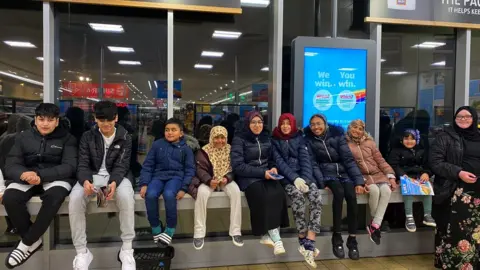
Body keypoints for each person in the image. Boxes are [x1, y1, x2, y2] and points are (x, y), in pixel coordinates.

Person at [3, 103, 77, 269]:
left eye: (50, 120)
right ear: (35, 120)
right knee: (10, 197)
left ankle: (26, 243)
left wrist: (41, 176)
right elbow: (11, 164)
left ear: (57, 121)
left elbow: (70, 166)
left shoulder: (68, 139)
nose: (45, 123)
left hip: (55, 177)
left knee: (55, 196)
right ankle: (34, 240)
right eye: (41, 119)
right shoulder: (22, 137)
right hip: (27, 177)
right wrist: (23, 174)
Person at [69, 101, 135, 270]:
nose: (106, 124)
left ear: (116, 118)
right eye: (101, 120)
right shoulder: (87, 136)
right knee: (75, 198)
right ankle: (82, 252)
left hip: (116, 176)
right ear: (95, 119)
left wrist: (113, 182)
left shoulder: (126, 136)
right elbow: (82, 163)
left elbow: (122, 164)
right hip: (91, 176)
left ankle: (127, 250)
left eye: (109, 120)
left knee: (127, 197)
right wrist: (85, 181)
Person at [304, 114, 364, 260]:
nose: (316, 127)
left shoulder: (337, 135)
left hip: (344, 173)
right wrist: (322, 183)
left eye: (319, 124)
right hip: (327, 174)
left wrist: (359, 181)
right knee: (338, 193)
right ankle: (336, 236)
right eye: (312, 124)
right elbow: (313, 164)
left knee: (351, 195)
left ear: (325, 124)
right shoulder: (308, 140)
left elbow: (348, 159)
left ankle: (352, 238)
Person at [231, 112, 289, 256]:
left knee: (278, 192)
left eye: (260, 122)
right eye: (253, 122)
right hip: (247, 177)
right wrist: (262, 173)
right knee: (260, 194)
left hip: (267, 174)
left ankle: (273, 232)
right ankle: (268, 235)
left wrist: (273, 167)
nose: (257, 125)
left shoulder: (266, 138)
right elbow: (238, 166)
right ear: (247, 124)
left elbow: (271, 159)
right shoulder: (239, 139)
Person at [430, 106, 480, 269]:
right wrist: (459, 172)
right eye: (459, 116)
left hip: (478, 189)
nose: (463, 119)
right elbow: (435, 162)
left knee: (476, 229)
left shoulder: (478, 136)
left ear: (474, 118)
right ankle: (456, 264)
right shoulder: (445, 137)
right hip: (455, 189)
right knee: (457, 228)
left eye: (467, 116)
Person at [271, 113, 322, 267]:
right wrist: (295, 179)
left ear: (293, 124)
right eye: (283, 123)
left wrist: (305, 180)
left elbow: (306, 161)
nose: (285, 126)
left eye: (288, 123)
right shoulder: (274, 141)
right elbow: (280, 163)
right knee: (298, 199)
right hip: (287, 179)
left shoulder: (301, 139)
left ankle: (310, 240)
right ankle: (301, 236)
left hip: (304, 177)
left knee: (315, 197)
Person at [140, 118, 195, 247]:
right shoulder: (157, 145)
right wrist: (144, 184)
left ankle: (170, 227)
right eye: (167, 130)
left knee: (169, 194)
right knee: (151, 194)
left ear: (181, 133)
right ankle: (155, 226)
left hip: (176, 177)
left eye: (173, 130)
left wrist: (183, 188)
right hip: (158, 176)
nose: (170, 133)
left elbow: (190, 169)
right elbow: (148, 165)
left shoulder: (186, 148)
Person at [188, 126, 243, 250]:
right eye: (216, 137)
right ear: (211, 137)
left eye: (222, 137)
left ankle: (236, 231)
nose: (219, 141)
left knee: (235, 192)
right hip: (209, 180)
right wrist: (208, 180)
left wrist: (227, 178)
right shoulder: (204, 151)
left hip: (226, 180)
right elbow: (200, 169)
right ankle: (199, 233)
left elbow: (235, 168)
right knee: (201, 193)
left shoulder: (231, 150)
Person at [346, 119, 397, 245]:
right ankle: (376, 224)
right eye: (354, 127)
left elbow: (380, 160)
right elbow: (349, 165)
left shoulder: (370, 143)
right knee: (373, 190)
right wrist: (359, 180)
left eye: (360, 128)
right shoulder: (345, 144)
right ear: (349, 128)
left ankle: (375, 224)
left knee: (386, 190)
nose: (357, 130)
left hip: (378, 174)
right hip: (363, 176)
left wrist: (391, 176)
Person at [388, 129, 436, 233]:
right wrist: (402, 175)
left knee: (427, 188)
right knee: (408, 189)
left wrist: (426, 173)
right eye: (406, 138)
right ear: (402, 140)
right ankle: (409, 217)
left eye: (412, 139)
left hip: (418, 176)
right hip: (404, 177)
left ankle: (427, 215)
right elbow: (393, 165)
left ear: (417, 140)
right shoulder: (396, 150)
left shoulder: (422, 150)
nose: (409, 141)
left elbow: (428, 164)